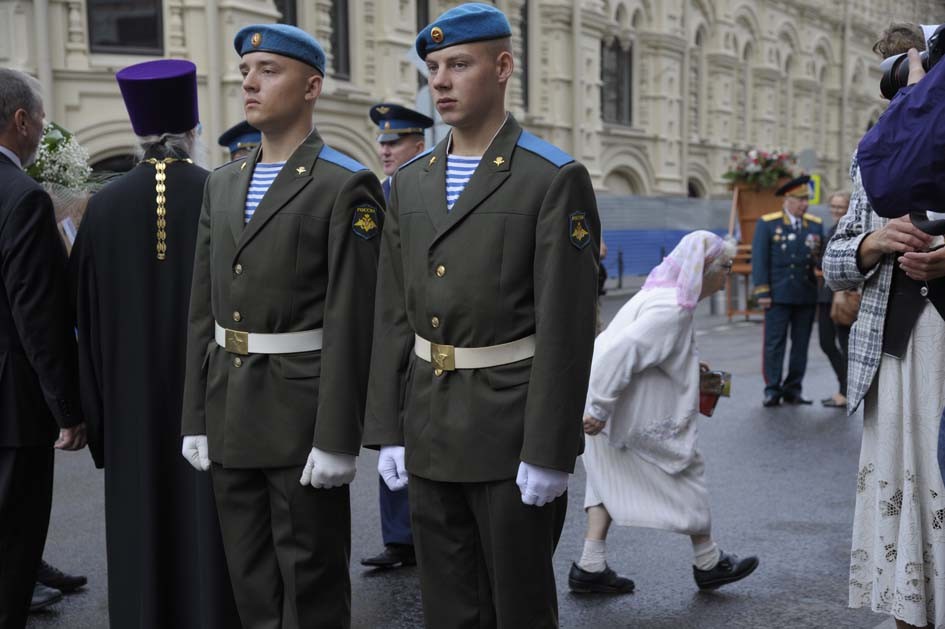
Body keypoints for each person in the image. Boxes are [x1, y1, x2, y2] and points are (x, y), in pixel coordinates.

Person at [363, 4, 600, 627]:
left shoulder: (549, 178)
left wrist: (550, 448)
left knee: (516, 605)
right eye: (433, 67)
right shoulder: (409, 182)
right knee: (447, 605)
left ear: (502, 68)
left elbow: (566, 327)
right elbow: (392, 312)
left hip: (509, 430)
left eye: (458, 64)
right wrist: (388, 425)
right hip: (430, 427)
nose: (439, 80)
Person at [180, 24, 384, 628]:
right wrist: (195, 415)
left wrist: (338, 435)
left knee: (311, 582)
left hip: (300, 413)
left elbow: (354, 319)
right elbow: (202, 310)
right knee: (250, 581)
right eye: (247, 70)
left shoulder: (344, 185)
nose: (249, 81)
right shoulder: (222, 183)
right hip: (229, 407)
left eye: (268, 70)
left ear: (312, 86)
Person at [69, 59, 240, 629]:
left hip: (129, 406)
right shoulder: (223, 192)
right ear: (191, 127)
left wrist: (95, 417)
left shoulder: (102, 210)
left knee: (141, 538)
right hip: (213, 402)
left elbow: (84, 325)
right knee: (210, 542)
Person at [824, 22, 945, 629]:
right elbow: (835, 261)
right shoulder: (874, 151)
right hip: (892, 356)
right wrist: (871, 242)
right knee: (903, 482)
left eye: (915, 65)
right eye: (896, 72)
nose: (906, 82)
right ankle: (908, 610)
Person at [570, 231, 758, 594]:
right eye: (725, 267)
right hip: (625, 417)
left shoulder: (661, 293)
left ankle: (590, 566)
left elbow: (643, 349)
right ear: (703, 268)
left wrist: (689, 363)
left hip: (612, 413)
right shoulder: (673, 309)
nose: (728, 275)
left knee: (605, 477)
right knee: (685, 470)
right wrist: (599, 409)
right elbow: (620, 352)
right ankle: (708, 560)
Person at [0, 68, 86, 629]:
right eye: (42, 119)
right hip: (12, 407)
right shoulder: (23, 197)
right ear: (21, 120)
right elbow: (37, 317)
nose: (44, 132)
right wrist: (68, 409)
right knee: (11, 546)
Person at [360, 102, 432, 570]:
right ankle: (399, 539)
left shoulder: (429, 189)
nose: (385, 150)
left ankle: (430, 532)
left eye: (395, 142)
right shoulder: (373, 194)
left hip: (423, 330)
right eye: (383, 142)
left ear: (418, 145)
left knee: (423, 430)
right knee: (389, 428)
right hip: (379, 330)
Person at [750, 175, 823, 407]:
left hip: (805, 293)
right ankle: (772, 389)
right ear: (787, 200)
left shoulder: (814, 224)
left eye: (806, 200)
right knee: (774, 343)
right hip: (778, 294)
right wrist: (762, 292)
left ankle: (793, 389)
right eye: (800, 200)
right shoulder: (768, 223)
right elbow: (760, 261)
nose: (804, 204)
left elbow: (819, 259)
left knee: (800, 344)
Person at [817, 190, 852, 408]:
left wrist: (842, 289)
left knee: (845, 345)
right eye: (834, 207)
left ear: (849, 208)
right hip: (826, 295)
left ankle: (845, 391)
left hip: (843, 295)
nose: (837, 211)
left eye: (841, 207)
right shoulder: (831, 229)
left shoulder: (851, 229)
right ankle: (845, 387)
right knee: (826, 343)